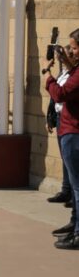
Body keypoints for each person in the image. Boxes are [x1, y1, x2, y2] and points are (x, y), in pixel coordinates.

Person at [44, 30, 79, 249]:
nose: (72, 51)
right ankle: (75, 225)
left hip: (74, 133)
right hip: (69, 131)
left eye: (74, 48)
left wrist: (47, 79)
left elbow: (61, 93)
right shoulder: (75, 69)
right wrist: (66, 61)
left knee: (77, 188)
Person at [47, 44, 77, 207]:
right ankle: (66, 190)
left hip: (70, 121)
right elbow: (54, 98)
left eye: (71, 51)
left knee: (71, 159)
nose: (63, 58)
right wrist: (49, 118)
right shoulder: (64, 72)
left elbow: (59, 94)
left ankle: (73, 194)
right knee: (65, 157)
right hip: (60, 118)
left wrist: (49, 78)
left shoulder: (74, 74)